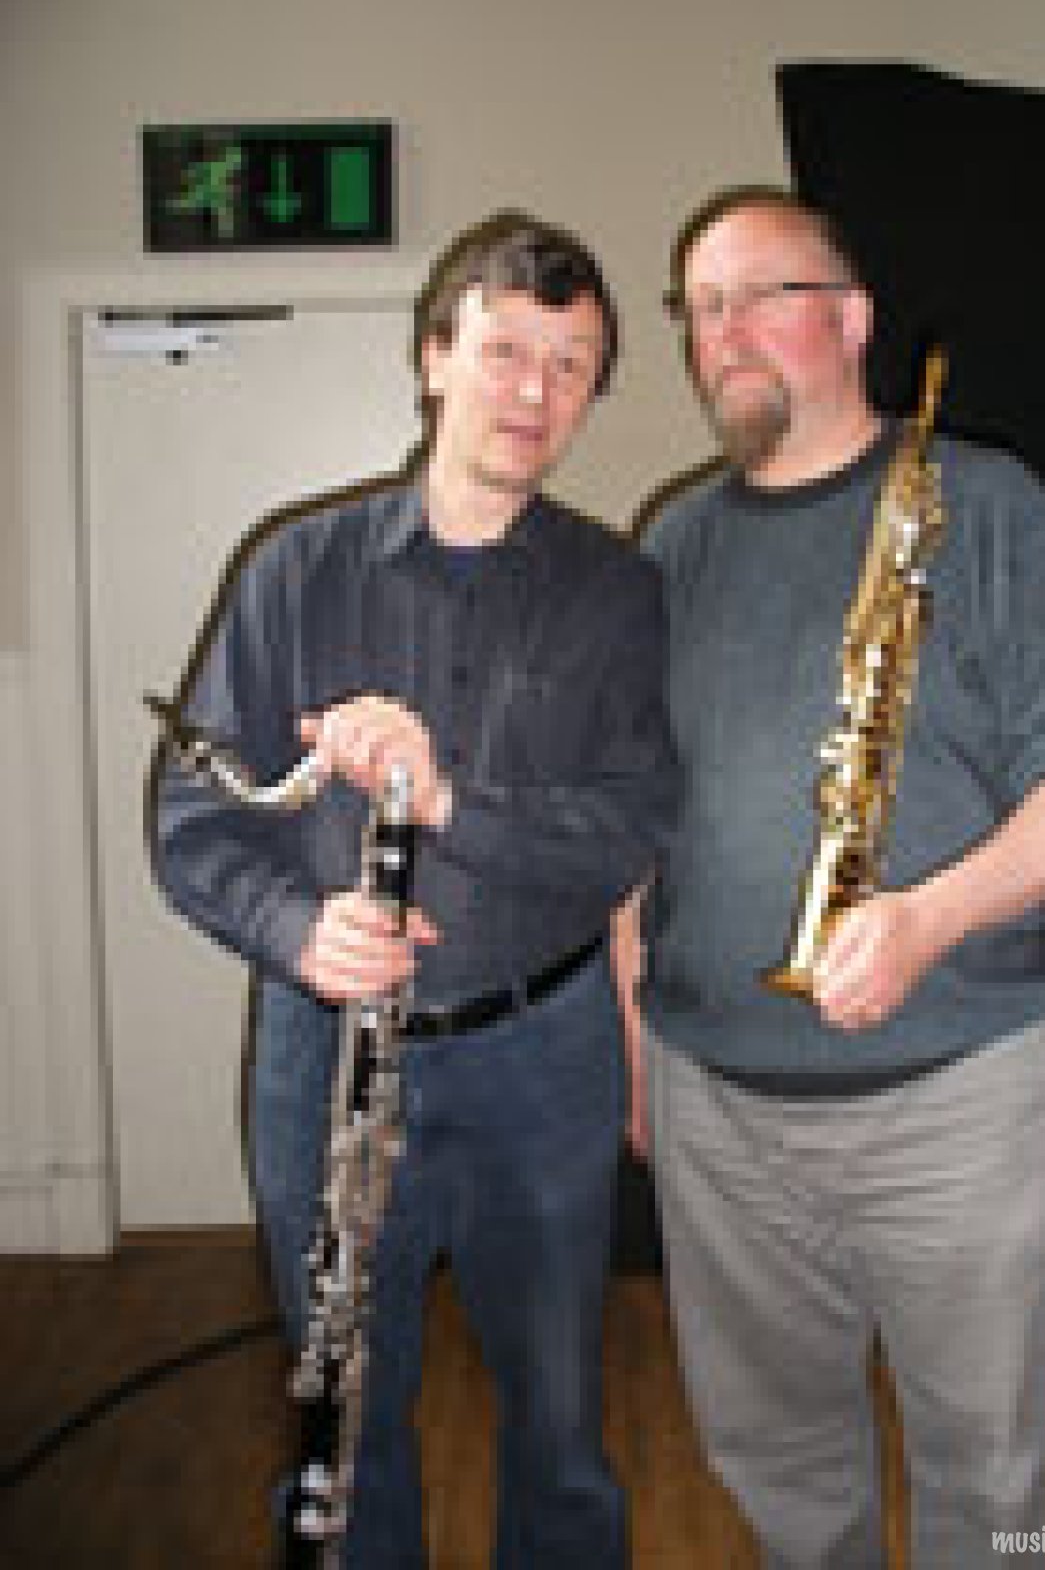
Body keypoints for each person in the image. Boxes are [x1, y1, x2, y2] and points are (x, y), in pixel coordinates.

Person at [614, 186, 1045, 1569]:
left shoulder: (988, 505)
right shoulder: (673, 544)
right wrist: (634, 1049)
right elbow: (629, 828)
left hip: (953, 1101)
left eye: (760, 296)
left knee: (989, 1480)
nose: (723, 334)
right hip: (715, 1108)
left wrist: (928, 917)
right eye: (702, 307)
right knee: (779, 1463)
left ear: (851, 319)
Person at [152, 211, 679, 1570]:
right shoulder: (294, 571)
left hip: (542, 1059)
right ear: (435, 355)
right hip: (322, 1052)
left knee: (559, 1425)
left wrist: (450, 805)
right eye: (506, 351)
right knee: (342, 1424)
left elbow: (631, 826)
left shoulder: (618, 591)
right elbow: (193, 822)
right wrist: (295, 929)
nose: (534, 391)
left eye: (571, 366)